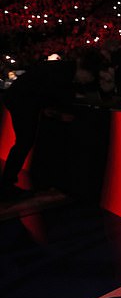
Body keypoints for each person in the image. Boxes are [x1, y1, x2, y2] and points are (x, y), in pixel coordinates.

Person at [0, 48, 103, 200]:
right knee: (24, 142)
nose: (88, 80)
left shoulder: (63, 69)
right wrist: (58, 112)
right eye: (90, 77)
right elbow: (47, 94)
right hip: (22, 101)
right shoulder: (64, 74)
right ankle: (6, 185)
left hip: (19, 99)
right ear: (85, 71)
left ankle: (7, 183)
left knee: (24, 142)